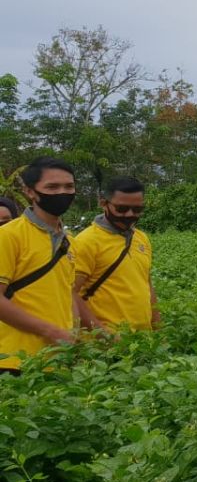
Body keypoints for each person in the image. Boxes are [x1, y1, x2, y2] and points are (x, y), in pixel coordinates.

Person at [0, 157, 77, 373]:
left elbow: (67, 293)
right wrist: (50, 332)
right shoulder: (8, 236)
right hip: (15, 361)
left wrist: (76, 337)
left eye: (69, 186)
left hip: (58, 361)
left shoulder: (69, 240)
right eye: (52, 187)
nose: (62, 192)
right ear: (30, 192)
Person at [72, 176, 159, 332]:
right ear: (103, 204)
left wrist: (158, 327)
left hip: (143, 342)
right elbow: (71, 294)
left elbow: (147, 285)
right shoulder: (86, 241)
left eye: (137, 209)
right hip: (105, 346)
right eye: (122, 209)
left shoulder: (141, 238)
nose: (129, 215)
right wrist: (105, 335)